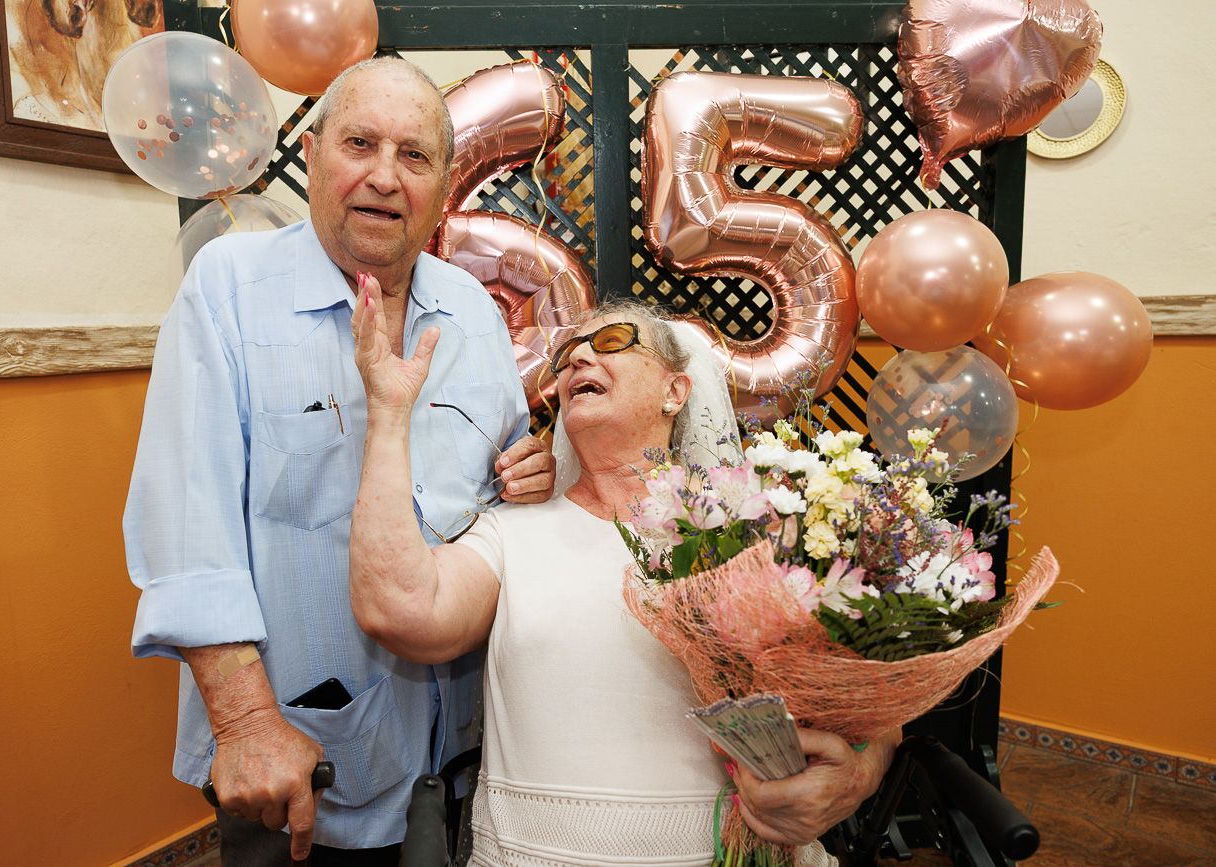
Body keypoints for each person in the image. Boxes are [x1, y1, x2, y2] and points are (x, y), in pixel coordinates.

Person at [124, 56, 555, 865]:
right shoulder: (228, 288)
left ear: (444, 182)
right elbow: (185, 524)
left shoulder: (472, 310)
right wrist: (246, 724)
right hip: (297, 763)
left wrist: (533, 478)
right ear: (315, 153)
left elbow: (494, 489)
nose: (384, 178)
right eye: (360, 143)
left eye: (415, 156)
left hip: (460, 761)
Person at [349, 296, 901, 866]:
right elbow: (400, 609)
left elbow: (875, 705)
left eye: (611, 342)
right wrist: (389, 415)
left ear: (675, 392)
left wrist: (858, 773)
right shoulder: (512, 531)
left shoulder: (760, 529)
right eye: (566, 357)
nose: (578, 360)